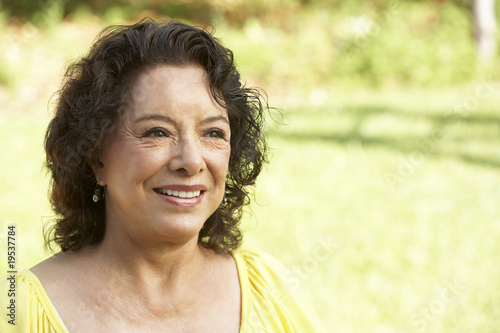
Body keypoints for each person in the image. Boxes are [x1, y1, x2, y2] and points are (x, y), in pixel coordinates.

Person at [1, 18, 325, 332]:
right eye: (157, 131)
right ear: (96, 157)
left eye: (213, 132)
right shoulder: (19, 312)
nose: (191, 161)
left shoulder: (268, 289)